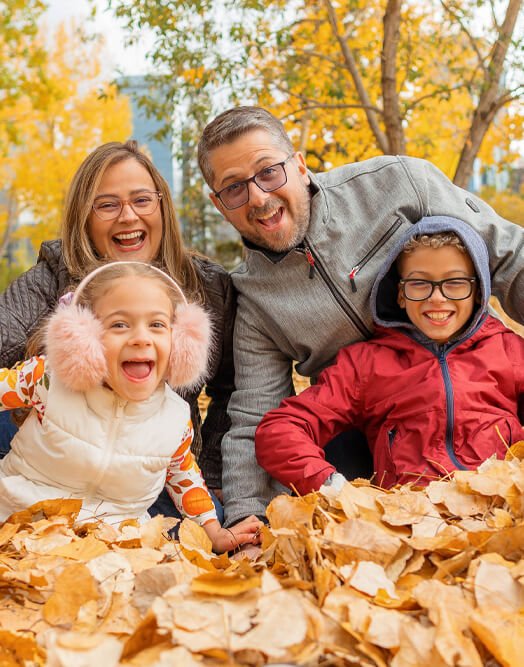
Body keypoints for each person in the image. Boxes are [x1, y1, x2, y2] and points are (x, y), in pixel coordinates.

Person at [197, 105, 524, 530]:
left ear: (299, 166)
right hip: (358, 425)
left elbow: (509, 255)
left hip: (468, 397)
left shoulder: (397, 183)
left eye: (269, 172)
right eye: (234, 188)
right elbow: (257, 413)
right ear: (218, 203)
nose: (258, 197)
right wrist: (248, 512)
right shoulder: (255, 297)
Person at [0, 140, 234, 505]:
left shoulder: (208, 286)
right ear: (85, 218)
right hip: (56, 461)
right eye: (107, 205)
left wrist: (214, 472)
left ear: (161, 206)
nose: (128, 216)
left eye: (141, 200)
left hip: (147, 471)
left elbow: (232, 390)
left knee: (207, 531)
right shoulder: (53, 274)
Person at [0, 261, 260, 552]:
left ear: (182, 344)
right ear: (83, 340)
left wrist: (213, 532)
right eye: (120, 324)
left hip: (112, 544)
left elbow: (185, 478)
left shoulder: (173, 419)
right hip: (19, 523)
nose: (140, 338)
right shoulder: (49, 380)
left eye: (157, 325)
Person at [255, 218, 524, 492]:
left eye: (455, 282)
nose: (438, 298)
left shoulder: (508, 351)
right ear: (400, 295)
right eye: (419, 283)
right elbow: (281, 428)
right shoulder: (366, 365)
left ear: (478, 291)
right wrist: (332, 487)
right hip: (412, 518)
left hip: (501, 509)